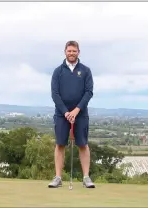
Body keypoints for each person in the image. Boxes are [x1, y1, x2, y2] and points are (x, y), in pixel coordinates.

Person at [48, 40, 95, 188]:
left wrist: (76, 110)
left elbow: (89, 93)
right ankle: (58, 178)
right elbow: (55, 94)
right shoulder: (58, 71)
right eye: (69, 51)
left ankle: (86, 177)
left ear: (78, 52)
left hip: (80, 113)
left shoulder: (85, 70)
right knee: (60, 144)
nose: (71, 53)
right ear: (65, 52)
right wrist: (66, 112)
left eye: (74, 51)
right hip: (62, 114)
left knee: (83, 144)